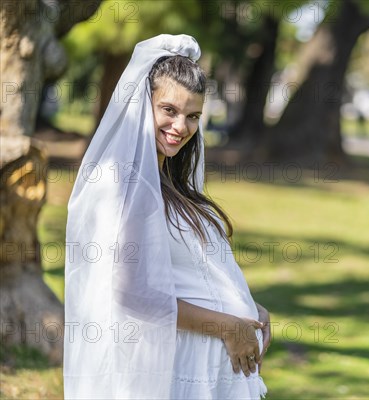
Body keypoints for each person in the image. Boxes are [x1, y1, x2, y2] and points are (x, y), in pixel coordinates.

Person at [63, 34, 270, 400]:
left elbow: (193, 273)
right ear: (144, 104)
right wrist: (226, 326)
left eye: (193, 116)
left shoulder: (170, 183)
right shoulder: (125, 188)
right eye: (169, 110)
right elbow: (132, 293)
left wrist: (251, 310)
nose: (181, 127)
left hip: (211, 368)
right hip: (178, 369)